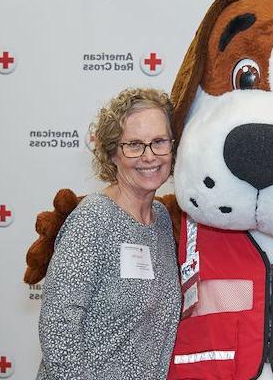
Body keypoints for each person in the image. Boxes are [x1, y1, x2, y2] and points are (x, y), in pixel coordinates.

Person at [36, 88, 180, 380]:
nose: (149, 156)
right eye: (134, 145)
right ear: (113, 152)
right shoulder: (93, 219)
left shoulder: (162, 221)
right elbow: (58, 328)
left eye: (159, 142)